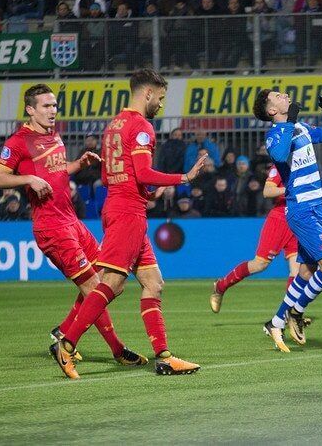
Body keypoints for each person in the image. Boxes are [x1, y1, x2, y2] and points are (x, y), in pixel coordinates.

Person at [51, 69, 208, 379]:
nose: (161, 104)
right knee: (112, 283)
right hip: (128, 215)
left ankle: (163, 356)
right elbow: (144, 173)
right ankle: (66, 344)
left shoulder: (113, 126)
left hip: (121, 206)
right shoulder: (141, 126)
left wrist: (145, 192)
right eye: (160, 98)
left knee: (153, 282)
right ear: (147, 93)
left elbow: (110, 177)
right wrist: (185, 177)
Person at [0, 84, 146, 377]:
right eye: (46, 106)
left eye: (54, 105)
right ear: (30, 109)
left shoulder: (53, 135)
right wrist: (29, 180)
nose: (52, 111)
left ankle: (63, 332)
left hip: (73, 222)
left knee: (111, 281)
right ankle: (117, 350)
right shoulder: (19, 141)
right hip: (52, 227)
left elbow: (56, 172)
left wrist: (77, 164)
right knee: (93, 290)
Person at [254, 89, 322, 352]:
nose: (286, 95)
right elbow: (279, 156)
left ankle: (277, 321)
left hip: (315, 206)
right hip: (300, 208)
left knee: (306, 271)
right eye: (278, 96)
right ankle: (297, 311)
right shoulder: (275, 135)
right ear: (271, 111)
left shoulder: (300, 127)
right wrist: (289, 121)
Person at [210, 164, 299, 313]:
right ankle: (221, 286)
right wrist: (290, 190)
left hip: (297, 221)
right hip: (280, 219)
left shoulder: (306, 168)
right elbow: (267, 191)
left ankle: (290, 314)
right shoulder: (281, 167)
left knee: (296, 272)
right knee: (260, 264)